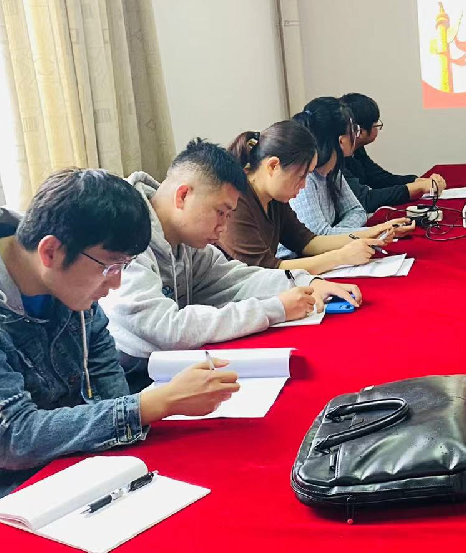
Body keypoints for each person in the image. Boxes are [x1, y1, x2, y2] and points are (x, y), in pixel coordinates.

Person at [0, 169, 239, 496]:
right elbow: (13, 437)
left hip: (77, 471)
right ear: (51, 252)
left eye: (123, 267)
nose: (115, 283)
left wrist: (143, 408)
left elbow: (107, 388)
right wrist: (156, 403)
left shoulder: (74, 292)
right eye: (109, 267)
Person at [100, 139, 358, 392]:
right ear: (183, 195)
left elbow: (236, 279)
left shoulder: (188, 242)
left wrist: (306, 283)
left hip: (171, 368)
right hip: (133, 381)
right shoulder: (126, 241)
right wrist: (274, 309)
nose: (223, 227)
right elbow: (167, 329)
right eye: (220, 212)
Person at [220, 120, 406, 272]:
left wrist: (371, 232)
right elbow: (266, 269)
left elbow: (308, 242)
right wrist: (340, 257)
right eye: (301, 176)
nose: (304, 185)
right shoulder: (235, 201)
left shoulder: (274, 198)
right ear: (273, 166)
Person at [286, 97, 415, 241]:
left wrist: (338, 232)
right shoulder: (305, 177)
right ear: (341, 140)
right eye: (354, 130)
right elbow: (318, 238)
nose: (357, 135)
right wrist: (370, 232)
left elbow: (357, 210)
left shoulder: (332, 169)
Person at [340, 92, 446, 212]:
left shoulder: (356, 148)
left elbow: (379, 179)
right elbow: (364, 200)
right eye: (376, 125)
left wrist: (417, 181)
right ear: (360, 131)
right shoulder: (336, 158)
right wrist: (417, 187)